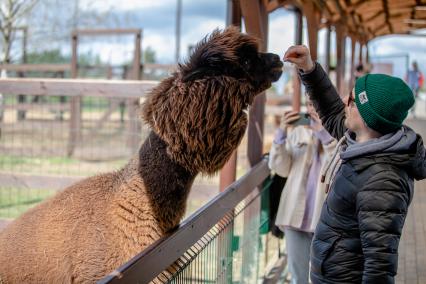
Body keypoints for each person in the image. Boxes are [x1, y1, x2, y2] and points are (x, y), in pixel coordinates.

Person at [283, 45, 426, 283]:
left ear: (369, 117)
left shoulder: (383, 180)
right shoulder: (364, 141)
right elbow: (331, 111)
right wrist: (309, 68)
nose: (344, 101)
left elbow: (379, 266)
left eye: (351, 99)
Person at [268, 98, 336, 284]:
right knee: (299, 278)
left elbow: (338, 168)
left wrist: (323, 135)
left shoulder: (339, 134)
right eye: (310, 104)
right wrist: (281, 134)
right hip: (294, 218)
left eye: (317, 103)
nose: (312, 108)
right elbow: (281, 168)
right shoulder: (298, 132)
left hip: (324, 221)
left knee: (325, 276)